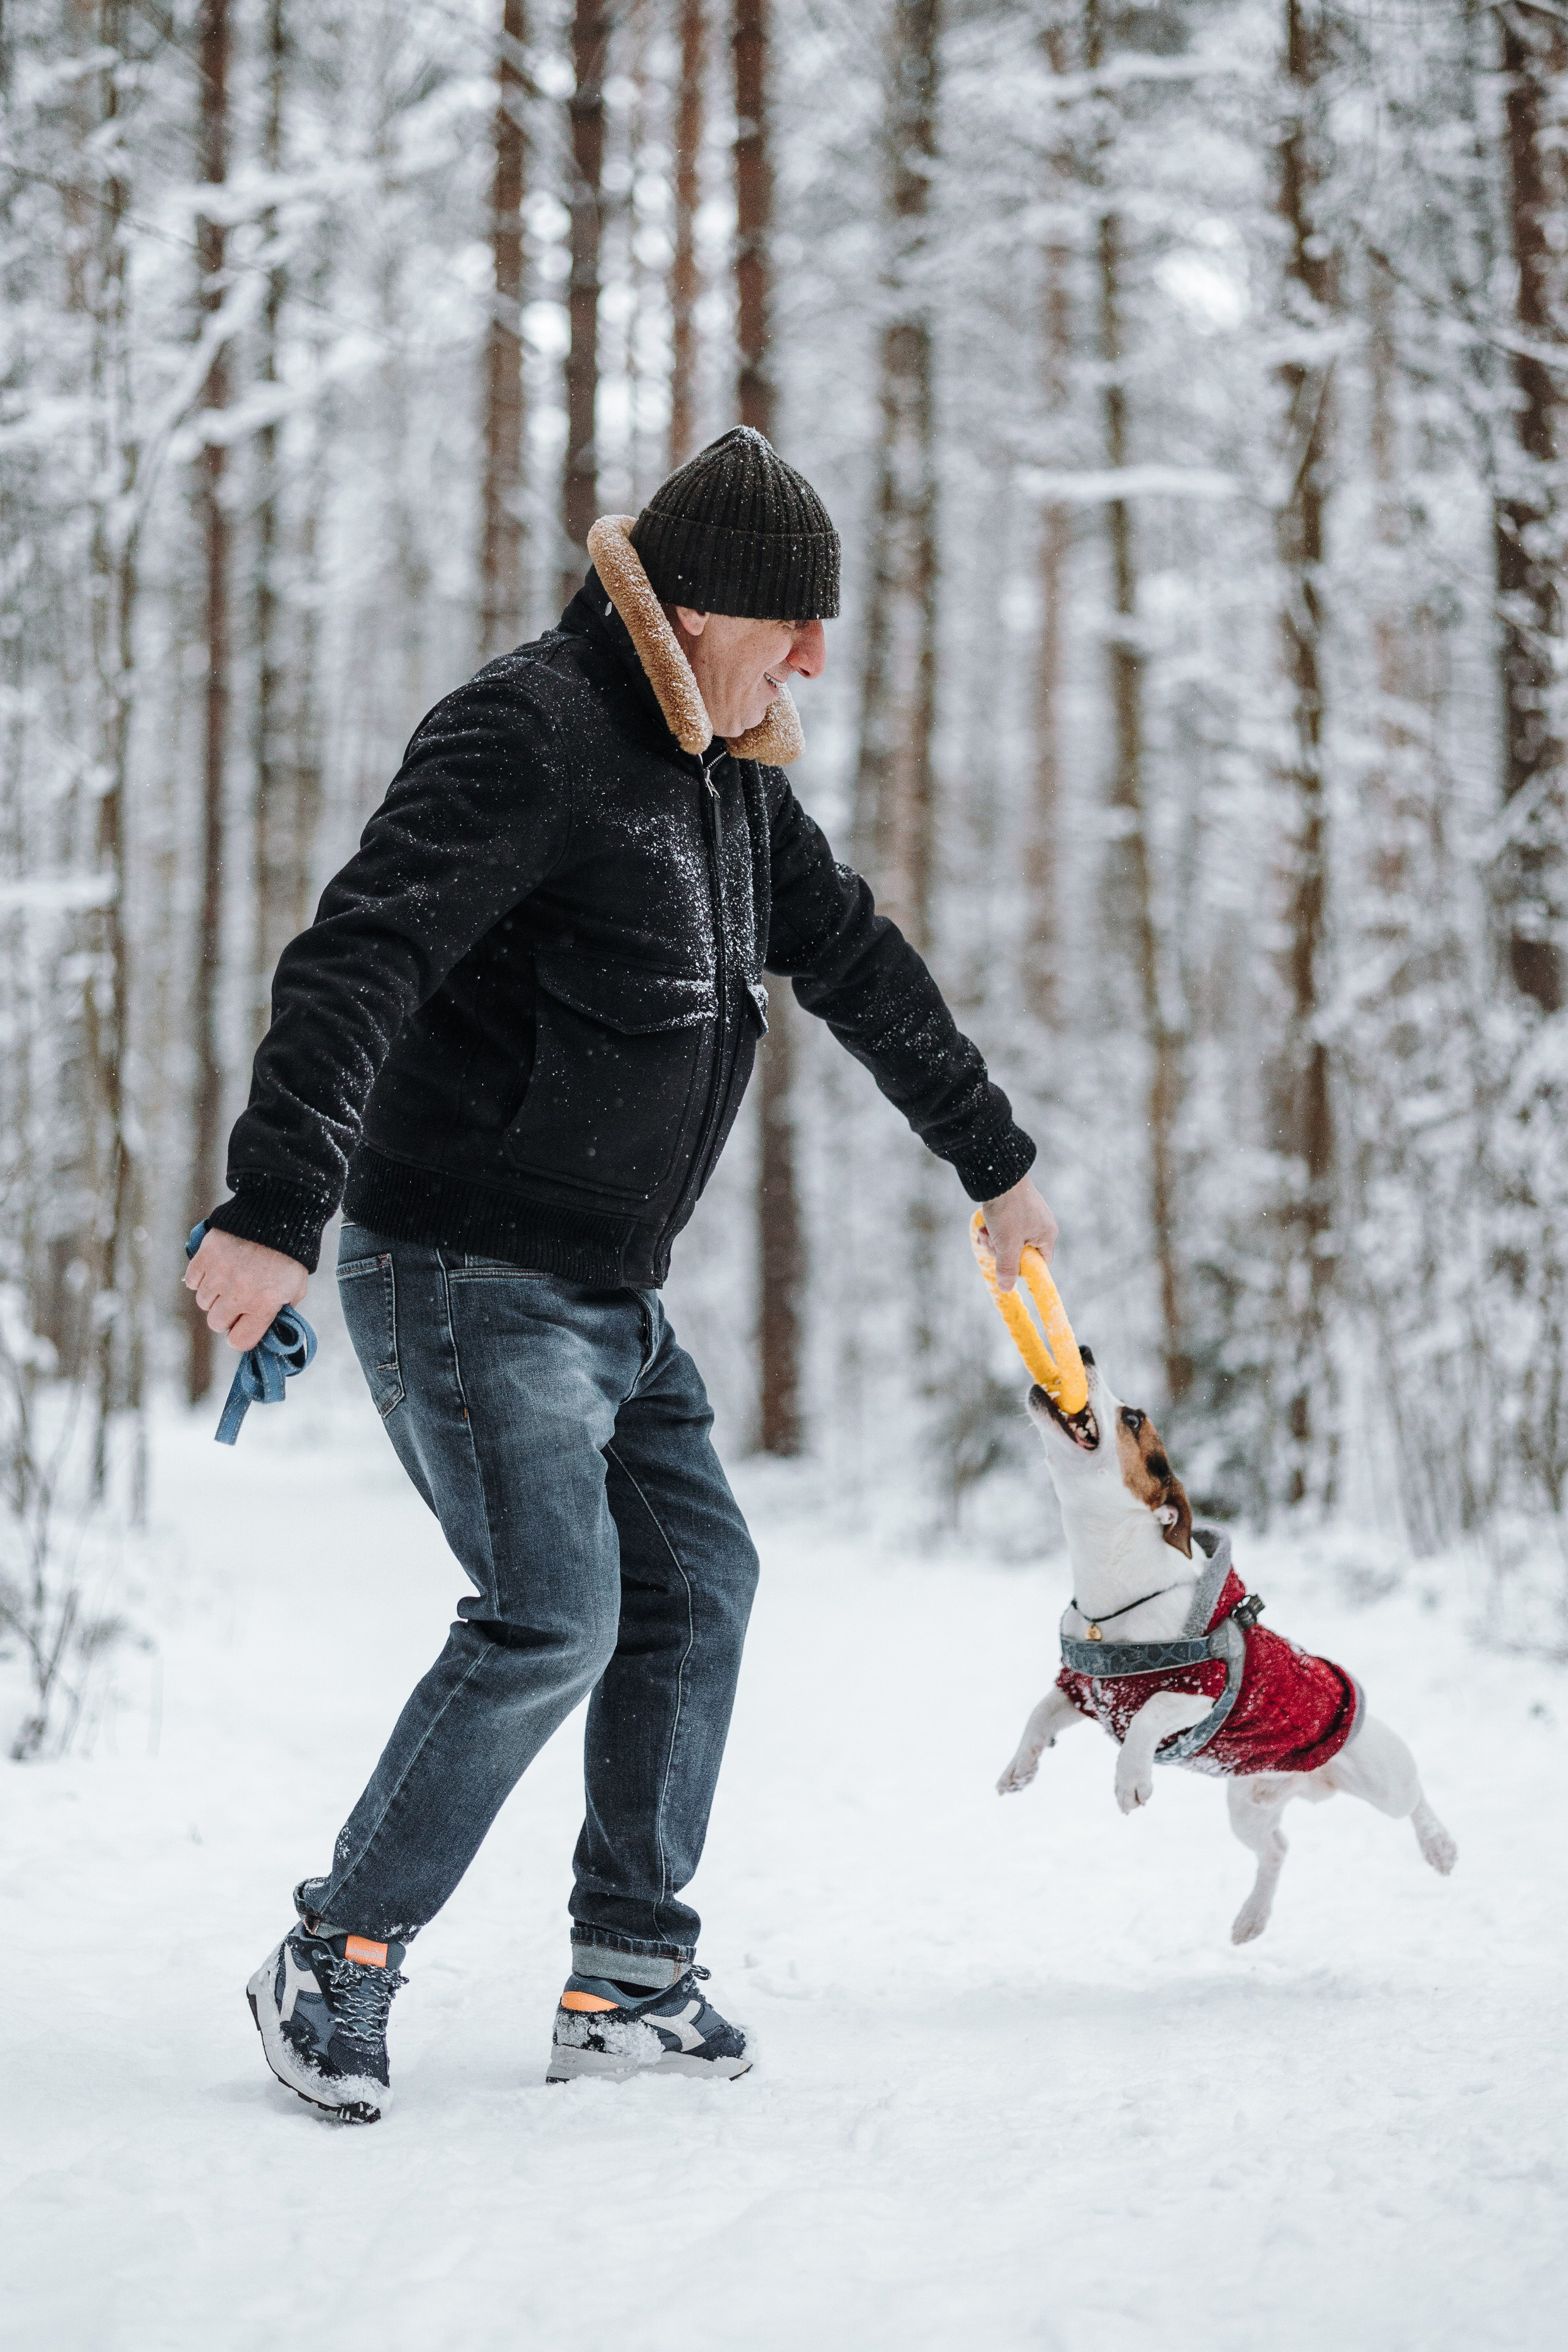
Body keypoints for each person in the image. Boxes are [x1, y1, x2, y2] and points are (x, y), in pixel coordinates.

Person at [186, 427, 1056, 2123]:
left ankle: (631, 1978)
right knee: (552, 1615)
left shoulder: (728, 786)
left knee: (697, 1584)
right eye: (795, 624)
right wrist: (277, 1204)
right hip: (465, 1268)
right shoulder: (534, 731)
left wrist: (996, 1157)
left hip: (604, 1293)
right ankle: (335, 1955)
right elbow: (360, 954)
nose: (816, 661)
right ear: (703, 608)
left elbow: (857, 960)